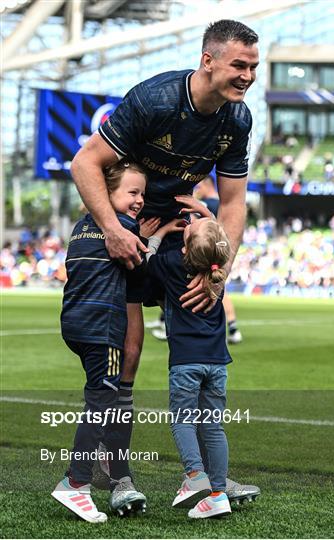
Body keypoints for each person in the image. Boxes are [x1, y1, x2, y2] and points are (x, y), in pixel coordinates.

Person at [71, 19, 260, 503]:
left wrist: (220, 272)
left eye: (254, 66)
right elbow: (85, 163)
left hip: (177, 235)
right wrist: (114, 231)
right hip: (127, 230)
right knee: (128, 354)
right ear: (208, 61)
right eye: (239, 64)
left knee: (203, 340)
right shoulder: (155, 100)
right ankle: (116, 475)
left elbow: (233, 203)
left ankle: (211, 479)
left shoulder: (237, 120)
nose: (248, 75)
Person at [52, 160, 183, 523]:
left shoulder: (81, 227)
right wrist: (154, 238)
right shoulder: (122, 227)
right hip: (102, 330)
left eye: (142, 193)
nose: (140, 200)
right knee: (103, 405)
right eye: (132, 192)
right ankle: (76, 483)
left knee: (100, 397)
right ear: (107, 194)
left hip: (74, 326)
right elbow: (141, 266)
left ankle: (104, 474)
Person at [146, 216, 234, 519]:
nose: (190, 222)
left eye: (190, 228)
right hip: (218, 365)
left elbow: (146, 259)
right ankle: (218, 494)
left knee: (183, 421)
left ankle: (195, 476)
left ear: (185, 249)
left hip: (186, 362)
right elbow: (221, 245)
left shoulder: (172, 263)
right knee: (213, 427)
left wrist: (160, 231)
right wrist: (205, 217)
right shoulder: (218, 275)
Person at [151, 175, 243, 344]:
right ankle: (232, 327)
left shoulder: (209, 205)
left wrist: (160, 232)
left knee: (183, 289)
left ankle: (168, 324)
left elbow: (210, 232)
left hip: (201, 257)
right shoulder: (216, 208)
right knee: (216, 291)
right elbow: (217, 234)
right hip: (212, 259)